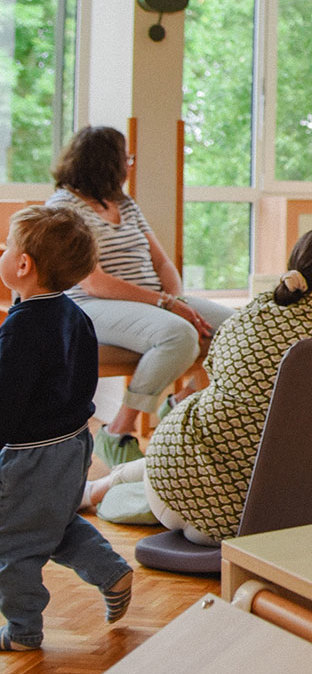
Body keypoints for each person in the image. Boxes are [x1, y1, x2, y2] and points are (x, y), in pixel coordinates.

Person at [81, 227, 312, 544]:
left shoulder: (251, 315)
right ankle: (99, 489)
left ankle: (96, 490)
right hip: (274, 518)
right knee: (216, 455)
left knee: (202, 449)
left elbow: (215, 379)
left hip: (181, 484)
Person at [45, 126, 234, 469]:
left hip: (152, 300)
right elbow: (93, 282)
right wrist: (165, 304)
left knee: (239, 329)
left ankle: (182, 403)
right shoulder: (64, 206)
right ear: (106, 163)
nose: (130, 165)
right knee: (179, 335)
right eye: (126, 158)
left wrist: (175, 300)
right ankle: (118, 431)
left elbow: (161, 261)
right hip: (92, 305)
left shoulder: (124, 204)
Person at [0, 206, 133, 651]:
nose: (3, 252)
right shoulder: (74, 314)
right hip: (74, 444)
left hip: (31, 456)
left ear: (23, 265)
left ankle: (23, 630)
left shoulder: (21, 329)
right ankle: (111, 572)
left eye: (7, 247)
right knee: (52, 522)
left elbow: (7, 403)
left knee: (12, 541)